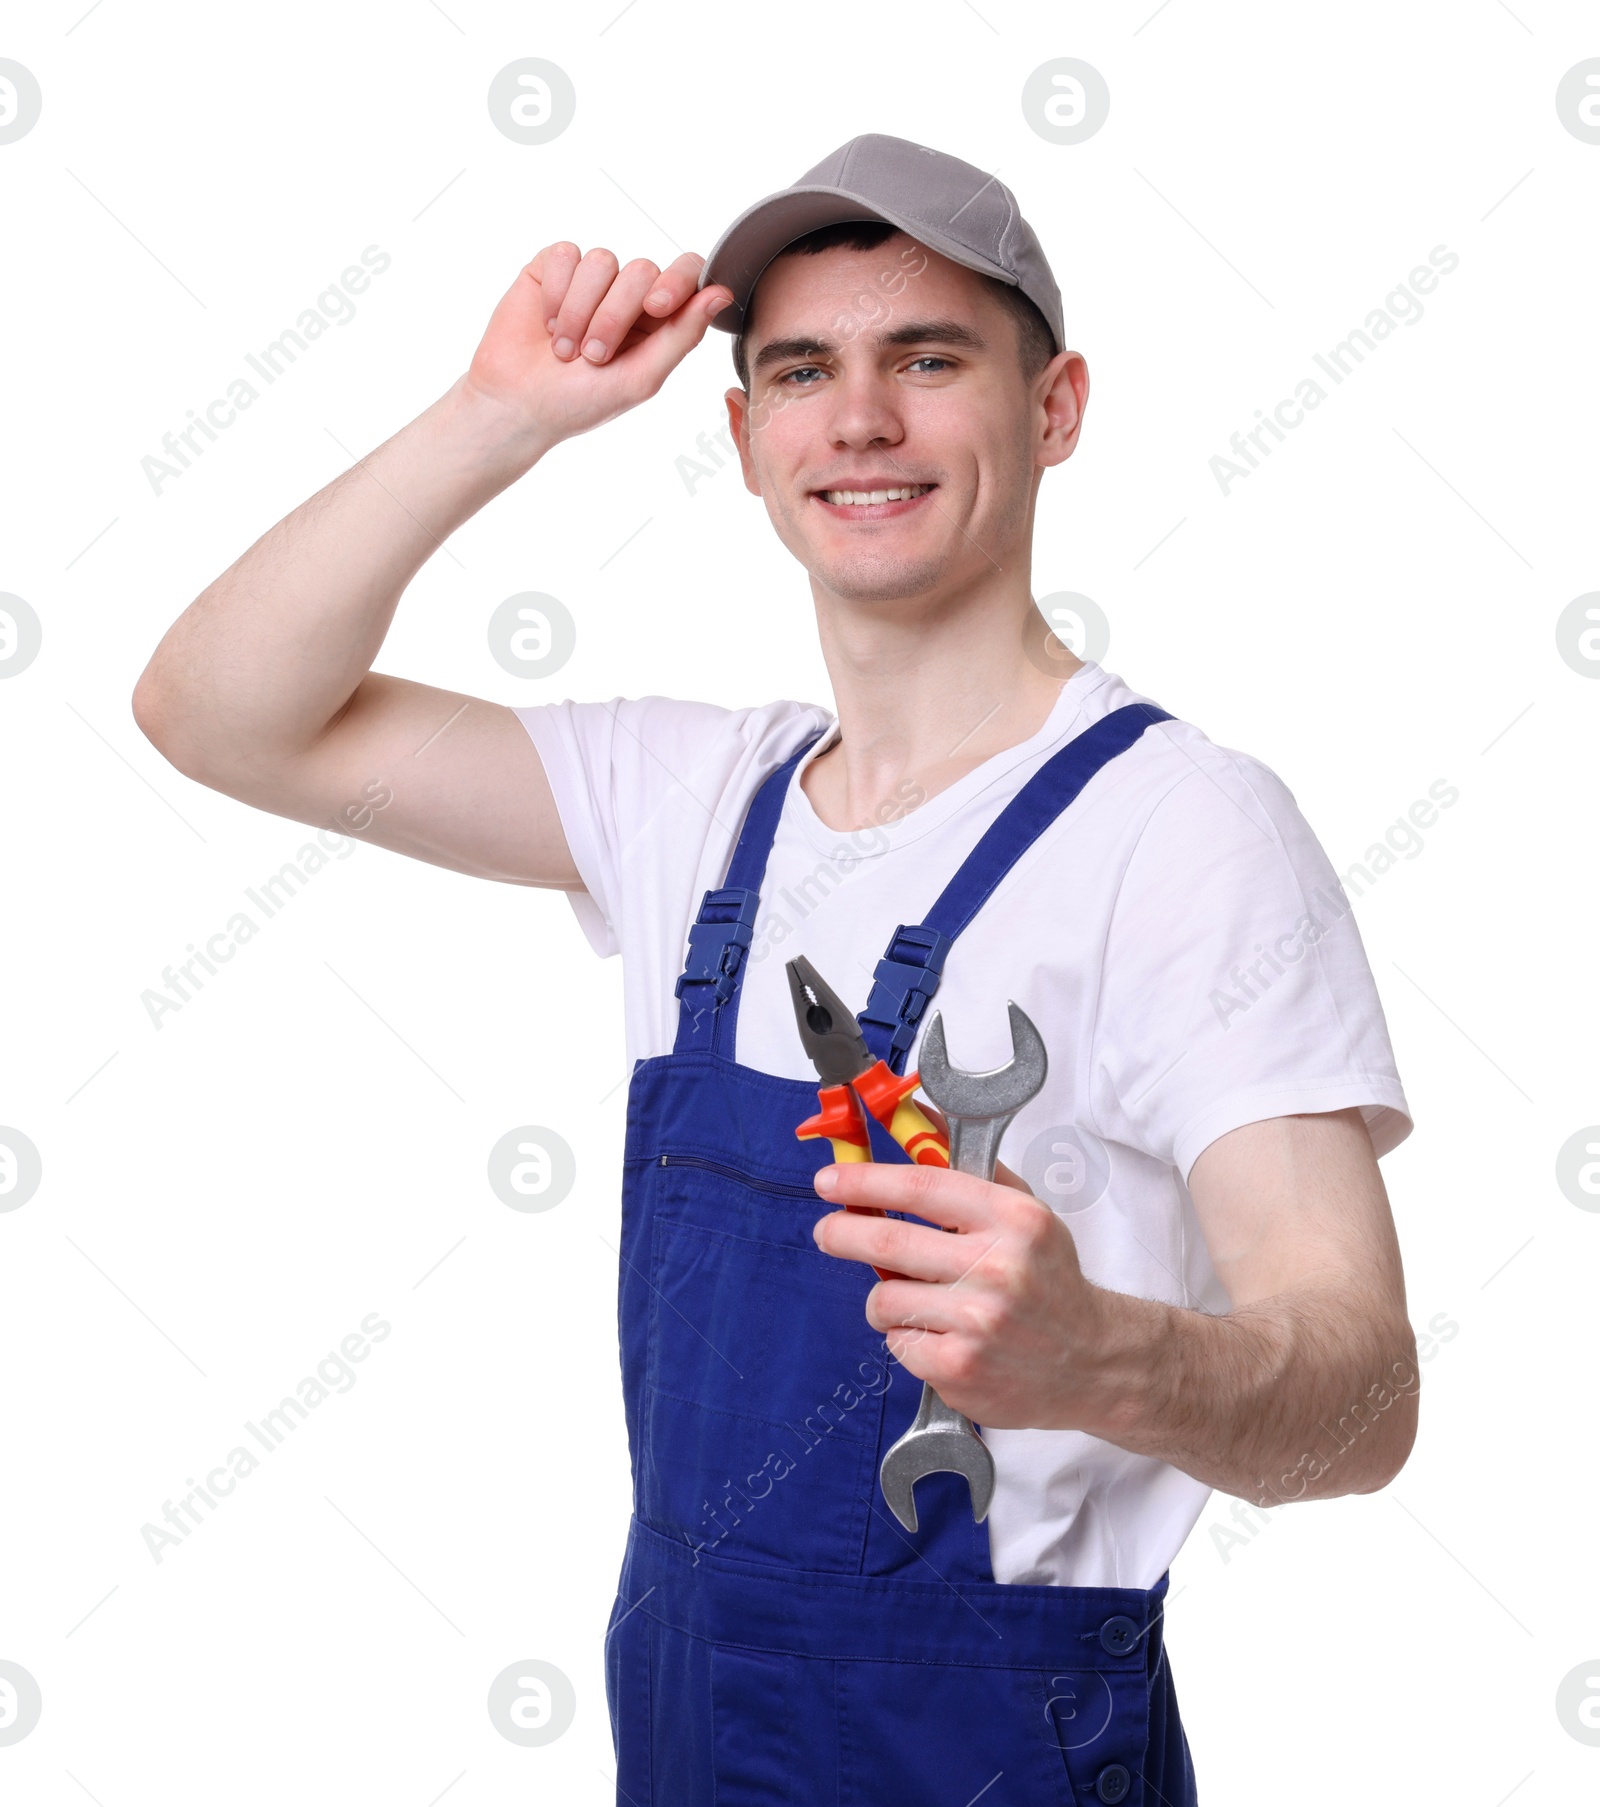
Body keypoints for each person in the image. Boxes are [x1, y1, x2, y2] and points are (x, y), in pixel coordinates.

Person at [133, 133, 1418, 1804]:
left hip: (990, 1741)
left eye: (929, 359)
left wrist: (1103, 1353)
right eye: (803, 371)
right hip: (681, 1714)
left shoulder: (1188, 833)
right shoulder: (688, 800)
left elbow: (1365, 1402)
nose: (861, 420)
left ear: (1057, 410)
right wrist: (500, 416)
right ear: (743, 440)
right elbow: (220, 712)